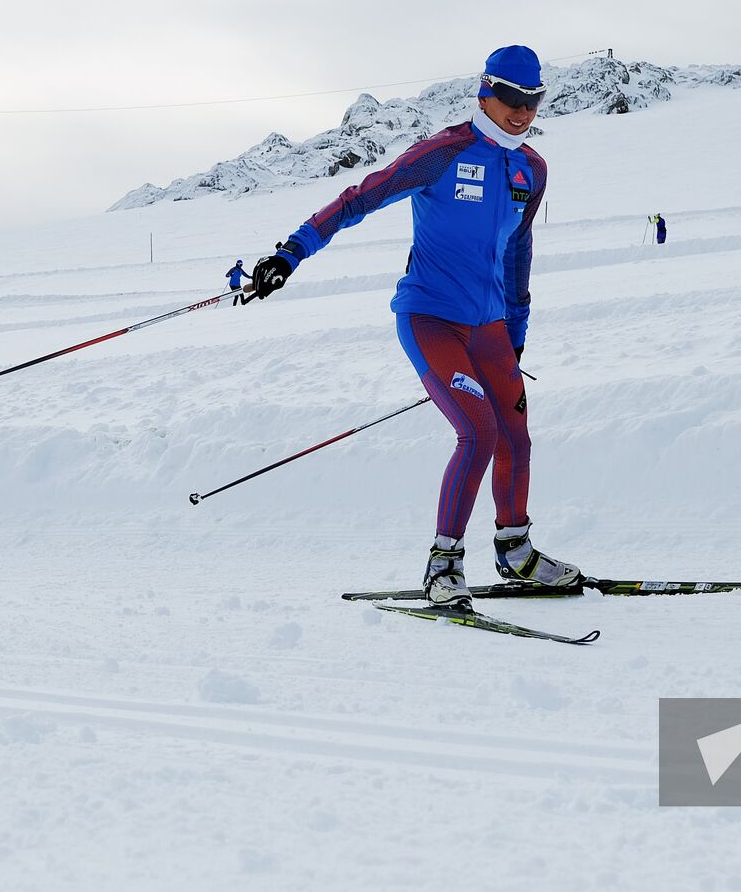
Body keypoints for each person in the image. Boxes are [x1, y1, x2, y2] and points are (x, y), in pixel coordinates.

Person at [247, 45, 580, 609]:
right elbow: (361, 198)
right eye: (512, 100)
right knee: (479, 432)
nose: (523, 113)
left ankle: (515, 552)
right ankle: (443, 563)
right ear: (485, 94)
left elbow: (518, 253)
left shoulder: (532, 169)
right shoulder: (444, 153)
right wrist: (291, 253)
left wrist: (516, 332)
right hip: (430, 319)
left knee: (516, 436)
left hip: (491, 329)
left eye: (534, 101)